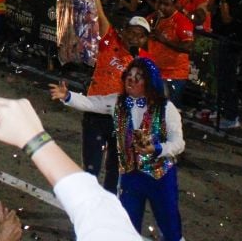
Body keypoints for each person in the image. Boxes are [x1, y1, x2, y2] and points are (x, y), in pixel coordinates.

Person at [55, 58, 185, 241]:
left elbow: (179, 143)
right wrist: (68, 96)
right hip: (131, 176)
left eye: (138, 77)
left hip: (160, 177)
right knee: (127, 226)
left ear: (149, 82)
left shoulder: (166, 108)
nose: (131, 80)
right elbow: (93, 103)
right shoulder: (119, 102)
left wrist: (157, 149)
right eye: (129, 76)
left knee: (171, 229)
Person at [50, 0, 149, 193]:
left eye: (140, 36)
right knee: (91, 169)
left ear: (144, 41)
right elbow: (99, 14)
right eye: (132, 31)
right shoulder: (110, 41)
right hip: (95, 113)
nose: (135, 37)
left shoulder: (144, 63)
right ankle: (88, 207)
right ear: (124, 30)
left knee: (114, 171)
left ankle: (108, 210)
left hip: (121, 119)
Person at [211, 0, 242, 129]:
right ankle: (219, 109)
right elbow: (209, 7)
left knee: (228, 80)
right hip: (219, 40)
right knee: (218, 79)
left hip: (232, 43)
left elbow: (227, 19)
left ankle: (231, 116)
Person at [146, 0, 194, 105]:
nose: (161, 7)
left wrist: (163, 40)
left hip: (173, 75)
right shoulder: (152, 18)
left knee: (168, 112)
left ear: (175, 4)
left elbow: (188, 47)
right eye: (159, 3)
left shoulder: (182, 21)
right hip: (154, 71)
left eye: (166, 4)